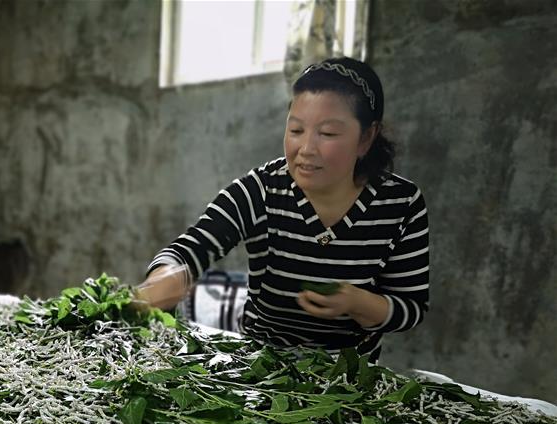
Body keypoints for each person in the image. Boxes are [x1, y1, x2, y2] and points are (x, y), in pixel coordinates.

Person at [137, 57, 429, 362]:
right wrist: (169, 275)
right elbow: (193, 247)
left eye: (327, 133)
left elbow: (411, 307)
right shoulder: (262, 190)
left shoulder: (401, 204)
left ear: (365, 138)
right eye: (296, 130)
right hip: (260, 370)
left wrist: (358, 303)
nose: (306, 149)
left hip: (350, 377)